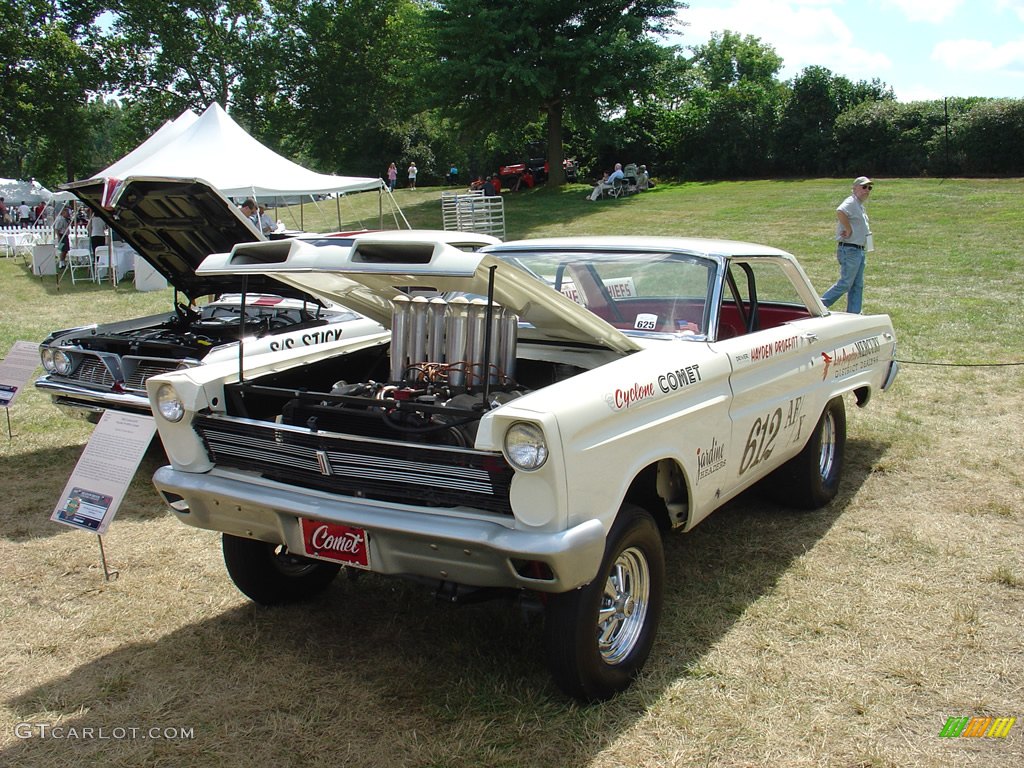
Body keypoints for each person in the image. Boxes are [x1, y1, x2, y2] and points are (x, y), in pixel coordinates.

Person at [821, 176, 874, 314]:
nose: (867, 190)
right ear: (854, 188)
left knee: (857, 285)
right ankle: (820, 305)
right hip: (850, 249)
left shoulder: (859, 206)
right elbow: (840, 211)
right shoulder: (851, 201)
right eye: (864, 187)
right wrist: (848, 229)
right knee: (846, 283)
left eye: (869, 188)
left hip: (859, 250)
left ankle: (854, 313)